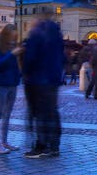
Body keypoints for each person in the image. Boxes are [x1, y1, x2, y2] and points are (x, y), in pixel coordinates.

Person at [22, 18, 65, 158]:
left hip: (38, 79)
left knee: (41, 114)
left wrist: (25, 73)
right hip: (53, 79)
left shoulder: (36, 34)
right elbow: (62, 58)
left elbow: (30, 58)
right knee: (52, 112)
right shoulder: (57, 35)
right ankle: (54, 146)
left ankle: (42, 145)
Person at [0, 24, 22, 155]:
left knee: (7, 115)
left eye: (15, 38)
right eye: (11, 38)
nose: (13, 40)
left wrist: (19, 75)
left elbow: (15, 64)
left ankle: (5, 142)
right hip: (0, 83)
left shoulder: (12, 45)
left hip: (12, 83)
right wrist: (11, 54)